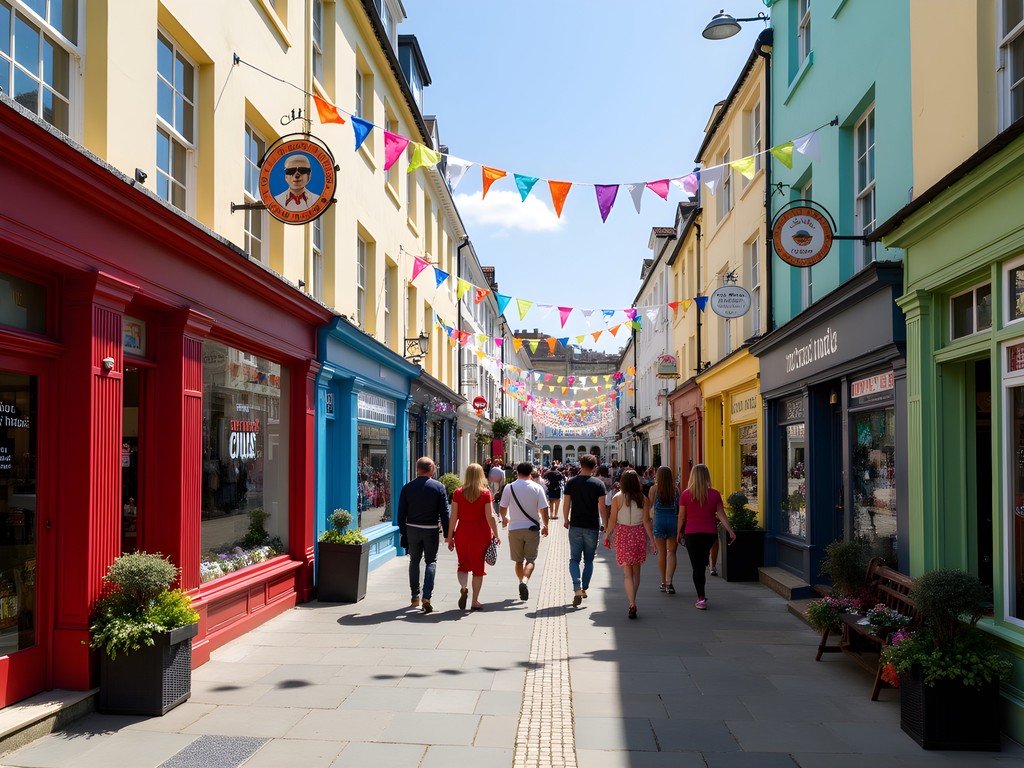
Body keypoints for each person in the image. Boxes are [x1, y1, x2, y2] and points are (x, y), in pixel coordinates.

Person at [677, 464, 736, 610]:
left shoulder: (685, 494)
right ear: (707, 476)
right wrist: (730, 531)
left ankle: (701, 598)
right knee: (701, 564)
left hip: (692, 534)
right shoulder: (715, 494)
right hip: (709, 534)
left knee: (697, 567)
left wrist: (678, 532)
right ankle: (702, 592)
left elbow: (682, 517)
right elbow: (721, 515)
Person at [396, 457, 450, 614]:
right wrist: (448, 534)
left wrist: (403, 532)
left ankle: (415, 597)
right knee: (431, 561)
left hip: (412, 528)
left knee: (414, 561)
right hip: (431, 529)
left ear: (417, 469)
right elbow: (444, 512)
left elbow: (401, 512)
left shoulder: (407, 487)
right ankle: (427, 596)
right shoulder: (438, 487)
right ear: (431, 469)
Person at [446, 464, 501, 610]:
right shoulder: (485, 494)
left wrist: (450, 537)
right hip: (481, 533)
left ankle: (464, 587)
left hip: (463, 532)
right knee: (478, 568)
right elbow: (490, 517)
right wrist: (496, 534)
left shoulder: (458, 492)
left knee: (462, 565)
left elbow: (453, 517)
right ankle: (475, 601)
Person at [604, 469, 655, 619]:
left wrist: (607, 535)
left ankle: (631, 603)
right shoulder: (643, 499)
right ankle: (633, 599)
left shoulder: (617, 498)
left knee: (627, 573)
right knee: (636, 572)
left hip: (623, 534)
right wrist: (652, 541)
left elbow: (613, 519)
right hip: (638, 533)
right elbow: (646, 521)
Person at [498, 461, 549, 601]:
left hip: (514, 528)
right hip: (532, 528)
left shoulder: (510, 487)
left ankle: (521, 582)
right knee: (531, 560)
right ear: (530, 473)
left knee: (518, 561)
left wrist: (504, 518)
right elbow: (544, 509)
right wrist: (546, 525)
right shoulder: (537, 488)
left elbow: (502, 506)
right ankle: (525, 581)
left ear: (517, 472)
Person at [562, 454, 608, 607]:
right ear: (594, 466)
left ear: (580, 465)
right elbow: (601, 507)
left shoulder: (571, 482)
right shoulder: (598, 484)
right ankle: (584, 587)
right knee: (589, 560)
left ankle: (576, 585)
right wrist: (605, 524)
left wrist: (566, 519)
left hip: (575, 525)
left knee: (574, 559)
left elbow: (566, 504)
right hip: (592, 526)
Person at [648, 466, 680, 594]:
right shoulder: (676, 490)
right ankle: (669, 582)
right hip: (673, 521)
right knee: (671, 552)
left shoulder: (654, 489)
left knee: (661, 552)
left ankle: (662, 581)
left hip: (659, 521)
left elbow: (651, 505)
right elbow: (679, 506)